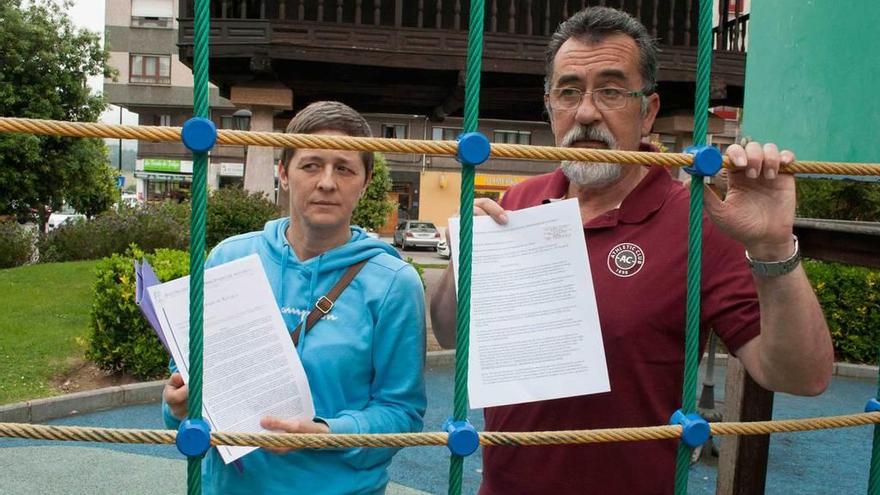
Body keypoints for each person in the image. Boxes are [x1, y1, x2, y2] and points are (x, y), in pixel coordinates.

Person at [430, 7, 833, 495]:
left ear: (649, 110)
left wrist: (772, 248)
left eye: (612, 90)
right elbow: (452, 332)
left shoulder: (697, 221)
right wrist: (463, 263)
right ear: (549, 106)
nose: (585, 112)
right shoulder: (516, 204)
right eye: (568, 91)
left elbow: (800, 376)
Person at [162, 101, 426, 495]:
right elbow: (184, 384)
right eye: (311, 165)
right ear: (283, 173)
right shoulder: (229, 258)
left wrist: (325, 432)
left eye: (345, 168)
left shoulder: (393, 283)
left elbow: (401, 413)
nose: (326, 182)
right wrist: (177, 405)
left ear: (366, 181)